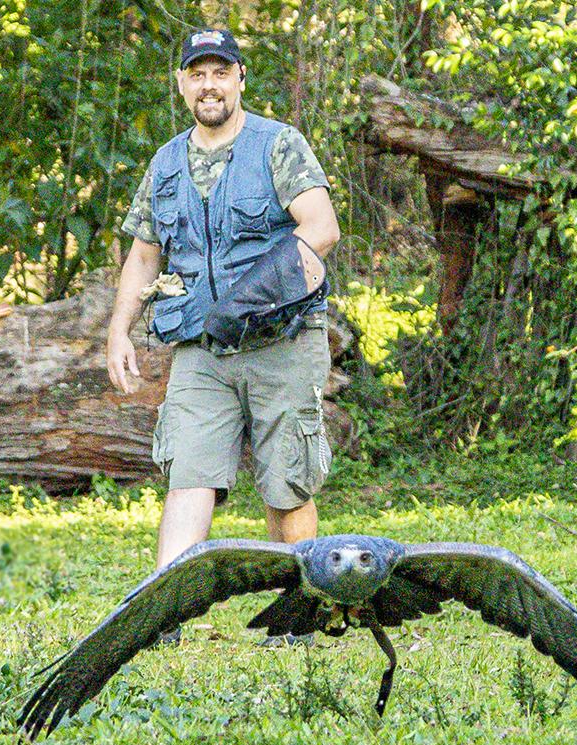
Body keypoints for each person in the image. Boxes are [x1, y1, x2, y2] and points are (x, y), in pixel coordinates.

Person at [105, 28, 340, 643]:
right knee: (188, 472)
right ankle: (163, 617)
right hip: (201, 352)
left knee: (285, 482)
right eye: (196, 74)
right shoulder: (165, 163)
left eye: (220, 72)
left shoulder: (277, 145)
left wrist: (250, 298)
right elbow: (142, 254)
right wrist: (118, 331)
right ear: (183, 84)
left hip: (280, 342)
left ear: (239, 79)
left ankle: (302, 613)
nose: (208, 85)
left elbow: (321, 227)